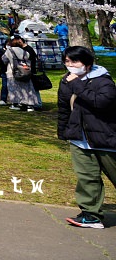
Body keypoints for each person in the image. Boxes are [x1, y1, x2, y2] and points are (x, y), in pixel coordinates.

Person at [58, 46, 116, 228]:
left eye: (74, 61)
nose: (70, 65)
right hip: (79, 139)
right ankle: (91, 214)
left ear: (87, 64)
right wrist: (63, 131)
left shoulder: (103, 82)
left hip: (105, 138)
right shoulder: (66, 81)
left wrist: (77, 84)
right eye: (67, 61)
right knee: (86, 177)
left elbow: (101, 102)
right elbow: (64, 108)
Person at [4, 36, 41, 113]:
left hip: (13, 72)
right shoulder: (25, 52)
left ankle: (15, 104)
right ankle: (29, 105)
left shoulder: (9, 51)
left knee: (14, 89)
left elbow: (4, 60)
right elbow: (29, 58)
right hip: (25, 72)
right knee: (27, 89)